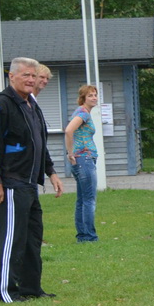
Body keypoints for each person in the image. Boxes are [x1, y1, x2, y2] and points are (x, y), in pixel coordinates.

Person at [0, 56, 64, 301]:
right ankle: (3, 292)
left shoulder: (31, 105)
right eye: (26, 75)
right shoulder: (0, 105)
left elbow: (39, 143)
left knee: (31, 239)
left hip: (29, 184)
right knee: (12, 239)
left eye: (34, 76)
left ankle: (30, 289)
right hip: (11, 182)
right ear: (12, 76)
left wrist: (51, 172)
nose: (31, 80)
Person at [65, 83, 101, 243]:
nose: (94, 98)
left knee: (82, 199)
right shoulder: (83, 113)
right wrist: (70, 153)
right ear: (83, 98)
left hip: (82, 159)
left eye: (95, 95)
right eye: (90, 95)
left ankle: (83, 235)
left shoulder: (82, 112)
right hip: (84, 159)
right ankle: (89, 236)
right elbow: (68, 130)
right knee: (89, 200)